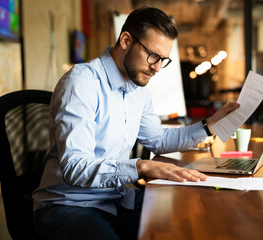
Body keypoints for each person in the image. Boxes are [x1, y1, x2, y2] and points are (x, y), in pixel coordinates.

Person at [33, 6, 239, 240]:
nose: (157, 68)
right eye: (153, 56)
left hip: (115, 199)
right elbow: (76, 168)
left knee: (191, 216)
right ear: (126, 40)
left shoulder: (137, 91)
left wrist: (209, 125)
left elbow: (158, 139)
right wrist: (140, 167)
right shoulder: (81, 83)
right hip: (67, 206)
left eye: (163, 60)